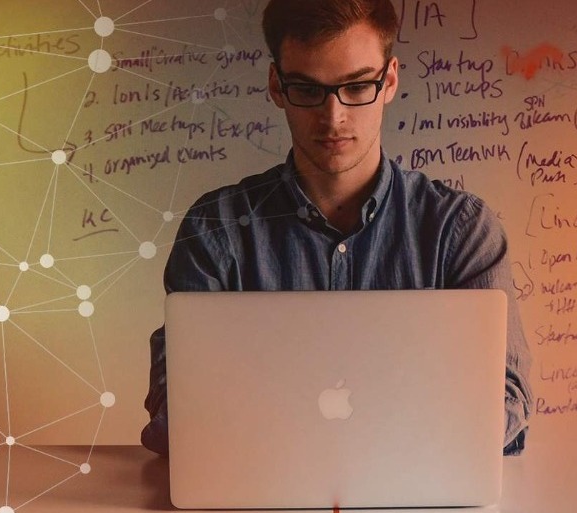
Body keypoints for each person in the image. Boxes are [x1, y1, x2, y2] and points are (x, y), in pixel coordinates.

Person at [141, 0, 533, 456]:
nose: (333, 117)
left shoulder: (461, 231)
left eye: (356, 86)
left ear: (388, 81)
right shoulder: (216, 230)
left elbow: (507, 401)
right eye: (307, 90)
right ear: (276, 86)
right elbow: (175, 409)